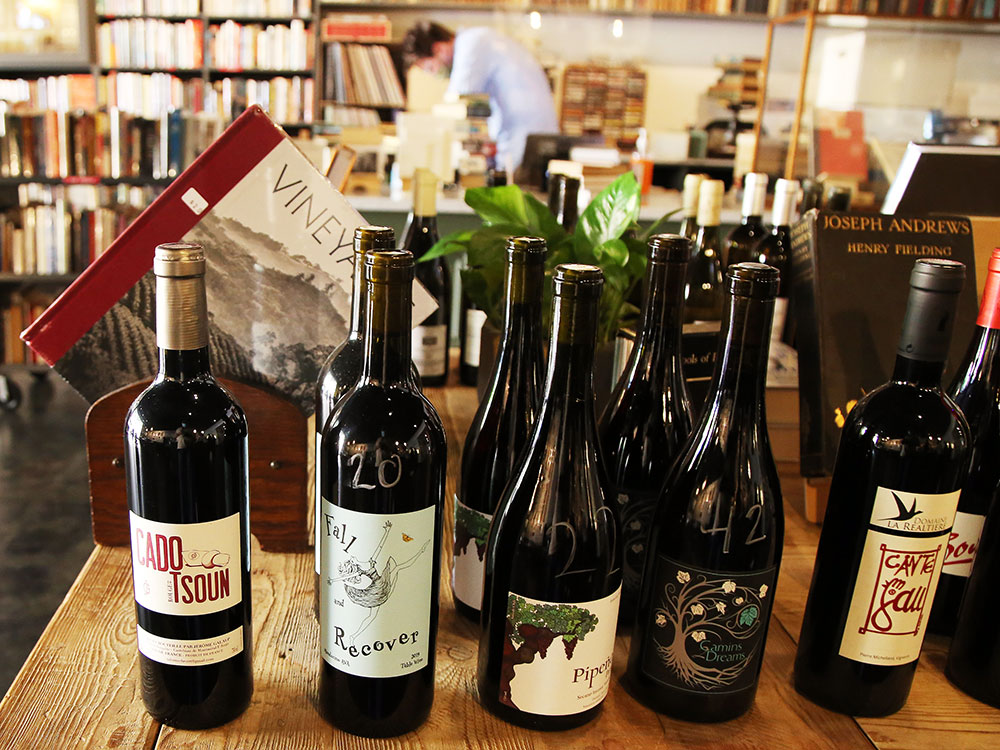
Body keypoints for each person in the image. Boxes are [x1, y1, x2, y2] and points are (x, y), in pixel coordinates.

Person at [402, 21, 559, 173]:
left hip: (525, 142)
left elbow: (455, 105)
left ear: (439, 50)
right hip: (533, 138)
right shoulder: (481, 38)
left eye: (431, 68)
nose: (435, 74)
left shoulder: (471, 44)